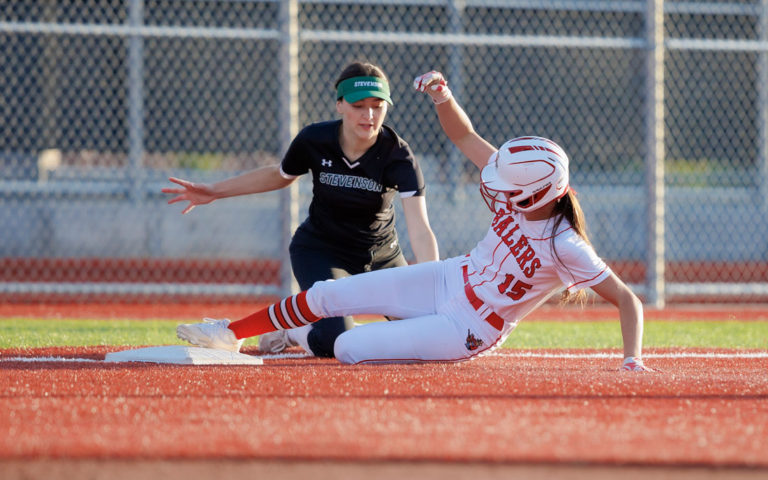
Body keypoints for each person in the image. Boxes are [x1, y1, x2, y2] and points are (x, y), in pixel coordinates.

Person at [176, 70, 651, 372]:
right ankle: (230, 331)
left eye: (509, 186)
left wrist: (632, 361)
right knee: (326, 295)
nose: (496, 187)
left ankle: (298, 333)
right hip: (451, 277)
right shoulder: (524, 191)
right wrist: (443, 97)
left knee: (345, 348)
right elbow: (464, 136)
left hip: (469, 325)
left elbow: (628, 301)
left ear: (537, 194)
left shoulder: (565, 244)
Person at [164, 61, 439, 358]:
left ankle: (308, 322)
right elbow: (280, 176)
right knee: (336, 343)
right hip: (322, 251)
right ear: (339, 105)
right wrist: (215, 190)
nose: (369, 115)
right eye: (358, 105)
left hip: (381, 256)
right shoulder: (315, 140)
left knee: (425, 334)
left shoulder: (398, 155)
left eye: (377, 106)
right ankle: (295, 329)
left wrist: (433, 286)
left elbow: (420, 228)